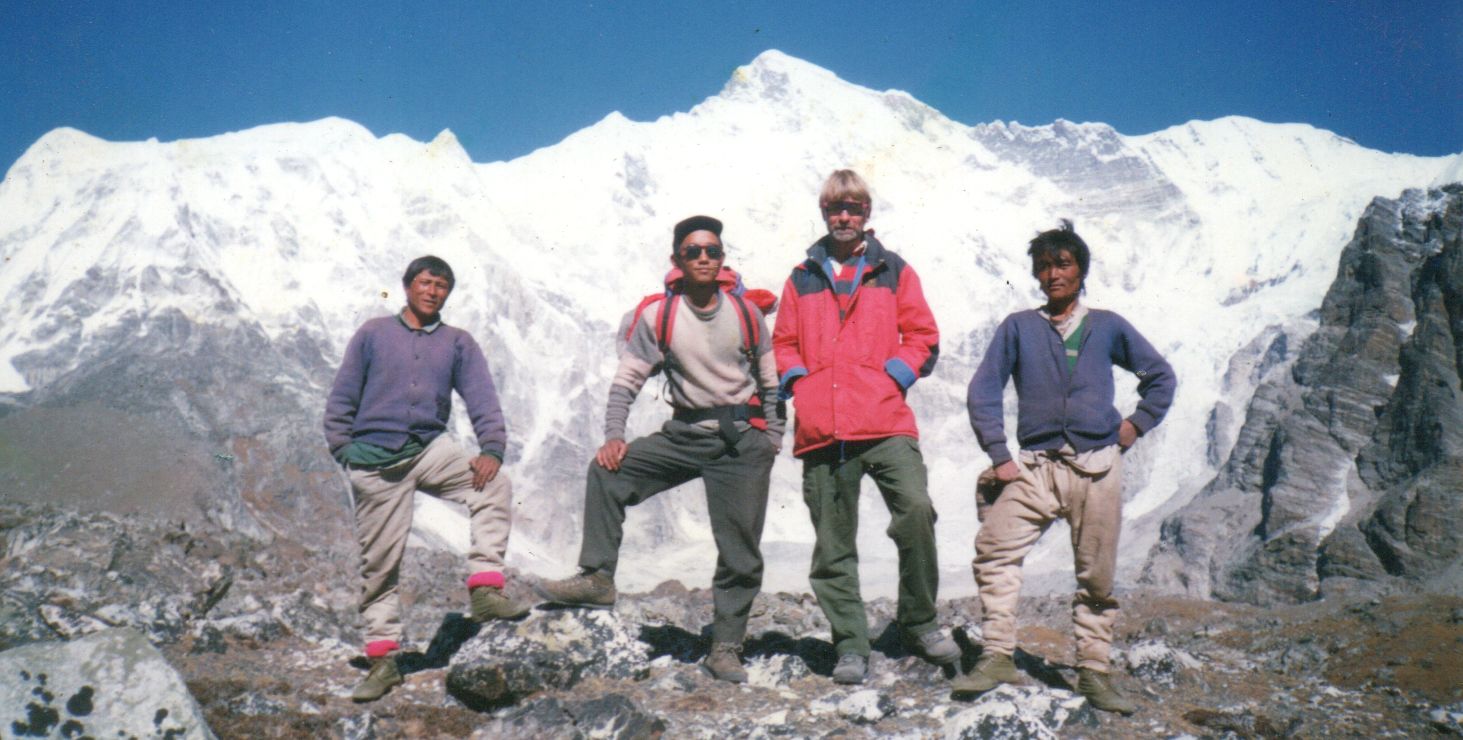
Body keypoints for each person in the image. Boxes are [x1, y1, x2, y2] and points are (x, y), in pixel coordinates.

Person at [535, 215, 783, 684]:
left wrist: (771, 440)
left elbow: (771, 383)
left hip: (739, 443)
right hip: (683, 435)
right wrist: (614, 436)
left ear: (723, 258)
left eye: (712, 250)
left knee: (740, 549)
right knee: (608, 472)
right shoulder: (660, 317)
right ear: (678, 261)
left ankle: (725, 646)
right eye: (694, 251)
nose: (704, 258)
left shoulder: (746, 314)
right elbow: (626, 379)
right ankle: (597, 577)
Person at [955, 221, 1176, 714]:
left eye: (1063, 264)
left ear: (1080, 271)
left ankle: (1093, 673)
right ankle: (995, 656)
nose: (1053, 274)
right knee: (995, 550)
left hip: (1096, 466)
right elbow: (984, 390)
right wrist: (1000, 457)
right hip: (1033, 468)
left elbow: (1157, 375)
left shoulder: (1109, 327)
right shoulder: (1018, 327)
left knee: (1096, 576)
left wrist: (1136, 424)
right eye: (1044, 266)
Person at [771, 169, 958, 685]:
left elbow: (922, 335)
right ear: (825, 214)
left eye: (853, 208)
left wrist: (890, 378)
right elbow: (783, 341)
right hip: (823, 429)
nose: (845, 217)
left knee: (916, 512)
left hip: (885, 420)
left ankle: (919, 622)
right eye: (836, 209)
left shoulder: (893, 270)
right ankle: (850, 644)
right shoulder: (800, 277)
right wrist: (799, 383)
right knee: (833, 545)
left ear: (867, 213)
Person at [323, 255, 526, 703]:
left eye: (442, 286)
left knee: (493, 485)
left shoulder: (457, 342)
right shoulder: (373, 334)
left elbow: (482, 399)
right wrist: (344, 450)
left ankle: (486, 588)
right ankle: (382, 663)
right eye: (425, 282)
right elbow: (342, 397)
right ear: (407, 286)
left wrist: (491, 449)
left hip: (430, 450)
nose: (433, 291)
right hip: (374, 462)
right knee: (380, 565)